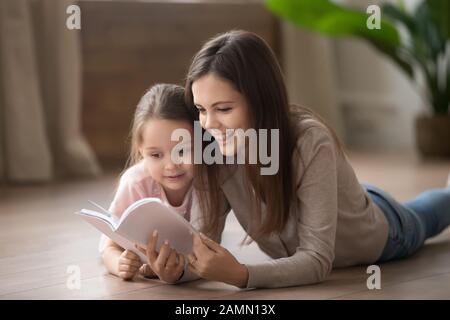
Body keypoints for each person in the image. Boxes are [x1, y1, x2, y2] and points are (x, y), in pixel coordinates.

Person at [174, 30, 450, 289]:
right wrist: (175, 269)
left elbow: (317, 260)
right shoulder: (215, 152)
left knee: (434, 210)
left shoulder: (309, 141)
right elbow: (203, 244)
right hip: (337, 200)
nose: (208, 124)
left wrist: (241, 274)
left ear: (261, 100)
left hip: (385, 227)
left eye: (223, 109)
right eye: (200, 109)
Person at [100, 84, 196, 283]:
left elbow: (208, 249)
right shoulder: (136, 182)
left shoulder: (206, 182)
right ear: (141, 151)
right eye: (156, 155)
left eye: (182, 151)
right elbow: (109, 245)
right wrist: (119, 264)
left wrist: (178, 272)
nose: (171, 165)